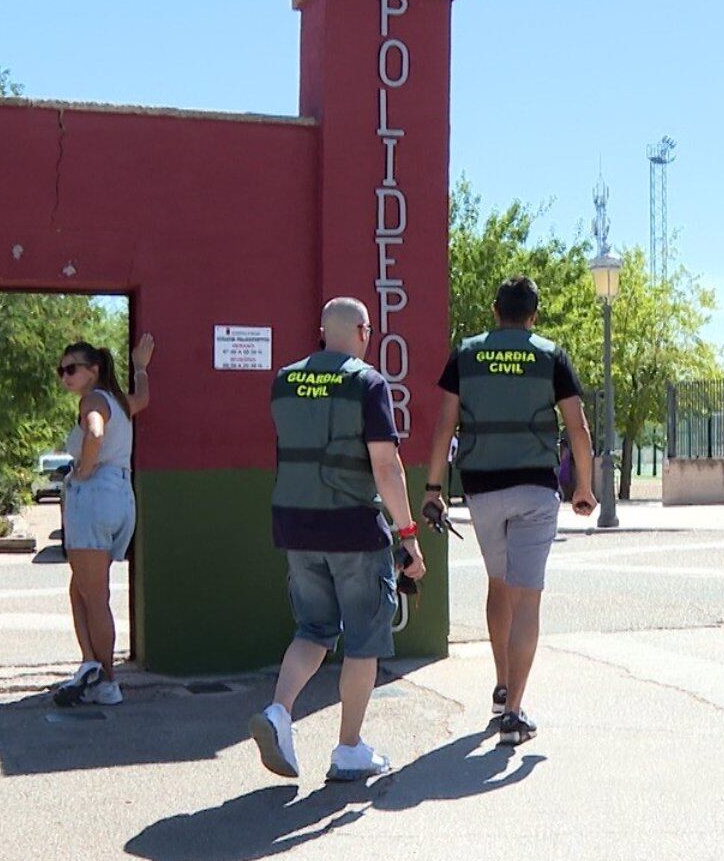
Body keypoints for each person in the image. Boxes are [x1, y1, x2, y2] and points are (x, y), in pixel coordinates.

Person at [249, 297, 425, 781]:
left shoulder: (284, 380)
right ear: (365, 332)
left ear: (322, 331)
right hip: (352, 529)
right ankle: (348, 749)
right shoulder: (367, 383)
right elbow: (386, 466)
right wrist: (408, 534)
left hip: (296, 526)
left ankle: (279, 712)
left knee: (313, 631)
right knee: (364, 642)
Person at [423, 275, 596, 747]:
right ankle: (514, 716)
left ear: (495, 310)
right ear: (533, 316)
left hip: (482, 490)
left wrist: (433, 487)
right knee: (527, 598)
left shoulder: (467, 353)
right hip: (536, 490)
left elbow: (443, 426)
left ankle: (501, 688)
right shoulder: (550, 355)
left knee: (499, 586)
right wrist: (584, 486)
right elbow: (577, 428)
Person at [52, 334, 154, 707]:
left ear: (93, 371)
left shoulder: (93, 400)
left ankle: (107, 681)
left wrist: (83, 469)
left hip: (94, 494)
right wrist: (141, 368)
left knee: (94, 595)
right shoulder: (118, 401)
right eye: (61, 370)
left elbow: (93, 432)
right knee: (83, 588)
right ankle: (91, 666)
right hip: (121, 497)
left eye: (72, 369)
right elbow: (142, 399)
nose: (65, 376)